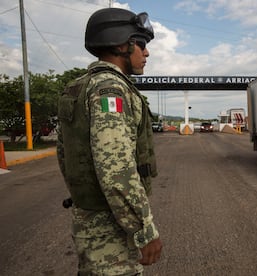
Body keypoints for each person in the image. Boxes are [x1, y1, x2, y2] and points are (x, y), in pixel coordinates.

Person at [56, 7, 162, 275]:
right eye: (141, 44)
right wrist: (144, 230)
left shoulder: (78, 88)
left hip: (90, 222)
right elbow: (116, 172)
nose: (146, 53)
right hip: (110, 231)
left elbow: (64, 155)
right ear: (121, 44)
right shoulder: (110, 91)